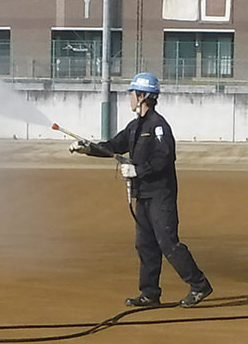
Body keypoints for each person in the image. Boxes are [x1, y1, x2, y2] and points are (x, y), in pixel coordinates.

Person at [69, 72, 212, 308]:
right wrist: (89, 149)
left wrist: (138, 170)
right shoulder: (135, 127)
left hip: (160, 194)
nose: (130, 98)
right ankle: (150, 293)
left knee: (168, 243)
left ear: (143, 96)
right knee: (144, 243)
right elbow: (114, 146)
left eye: (132, 94)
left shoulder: (158, 126)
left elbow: (165, 158)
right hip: (143, 194)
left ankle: (199, 285)